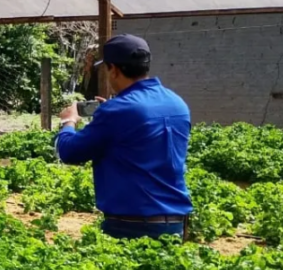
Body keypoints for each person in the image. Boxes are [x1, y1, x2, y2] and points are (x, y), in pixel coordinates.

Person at [55, 34, 193, 240]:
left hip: (131, 225)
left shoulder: (117, 111)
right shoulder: (177, 103)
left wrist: (69, 121)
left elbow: (69, 152)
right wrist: (111, 110)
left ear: (114, 70)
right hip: (176, 223)